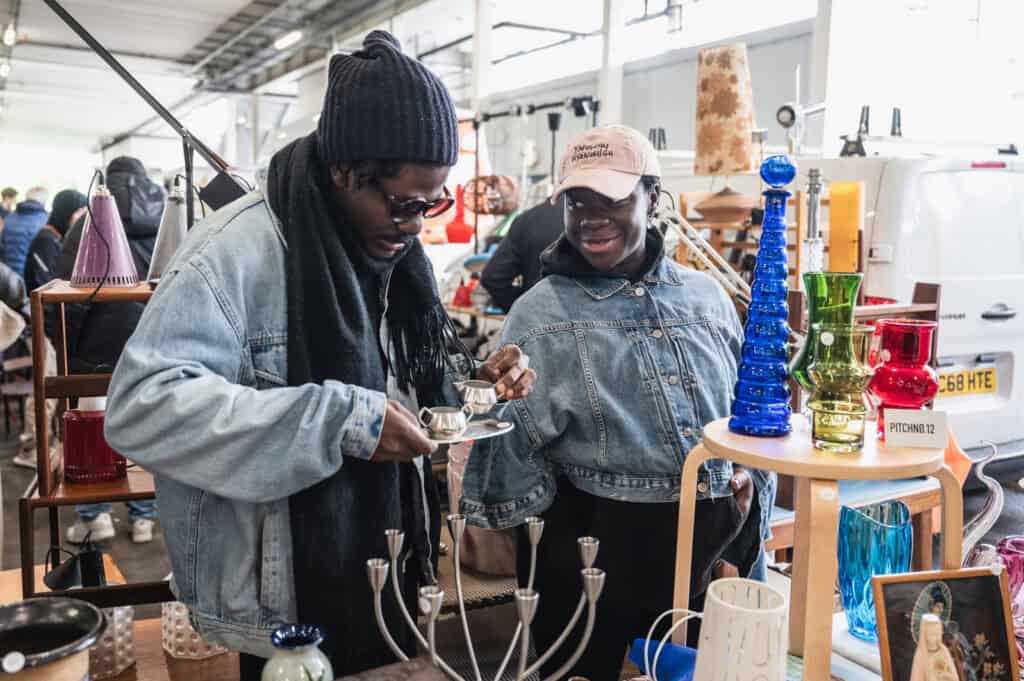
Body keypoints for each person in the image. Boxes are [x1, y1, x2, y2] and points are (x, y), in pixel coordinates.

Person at [103, 30, 535, 679]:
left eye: (433, 201)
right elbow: (139, 408)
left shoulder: (392, 254)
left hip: (391, 572)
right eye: (405, 203)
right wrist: (335, 421)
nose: (418, 224)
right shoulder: (233, 254)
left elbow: (400, 380)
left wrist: (473, 383)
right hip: (284, 594)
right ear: (344, 171)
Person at [461, 125, 775, 681]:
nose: (590, 217)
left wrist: (748, 509)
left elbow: (742, 413)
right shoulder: (541, 314)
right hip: (599, 554)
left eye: (611, 198)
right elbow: (507, 455)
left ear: (652, 198)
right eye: (576, 201)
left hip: (713, 541)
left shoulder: (705, 299)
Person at [51, 159, 163, 541]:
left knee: (89, 432)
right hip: (153, 347)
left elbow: (65, 296)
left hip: (93, 350)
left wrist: (63, 345)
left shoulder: (88, 222)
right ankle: (144, 515)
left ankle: (94, 515)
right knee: (149, 427)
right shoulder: (168, 221)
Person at [480, 195, 565, 311]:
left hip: (536, 320)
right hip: (587, 322)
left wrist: (524, 308)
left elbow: (492, 277)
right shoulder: (593, 219)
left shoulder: (527, 219)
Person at [24, 189, 87, 292]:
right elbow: (45, 286)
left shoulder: (56, 238)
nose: (83, 220)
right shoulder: (45, 241)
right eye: (81, 213)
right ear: (68, 213)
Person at [0, 187, 49, 276]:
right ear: (43, 201)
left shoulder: (9, 218)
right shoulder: (45, 220)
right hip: (30, 277)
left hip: (8, 276)